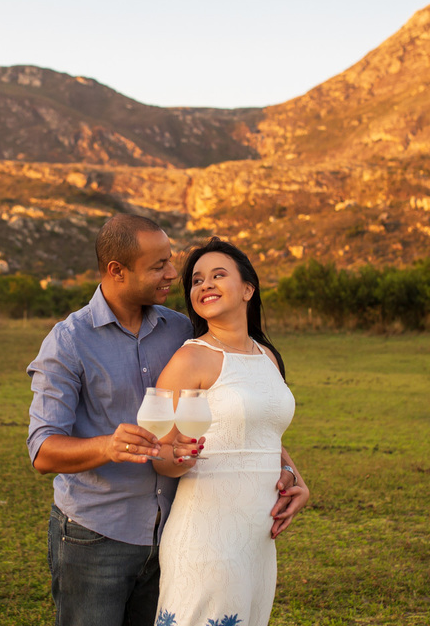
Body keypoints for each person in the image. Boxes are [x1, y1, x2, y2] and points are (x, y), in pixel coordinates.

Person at [27, 213, 197, 626]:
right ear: (117, 271)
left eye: (170, 261)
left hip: (174, 535)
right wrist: (108, 446)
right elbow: (42, 449)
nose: (173, 274)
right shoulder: (68, 341)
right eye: (159, 265)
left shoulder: (182, 329)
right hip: (94, 538)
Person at [150, 236, 309, 626]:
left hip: (257, 537)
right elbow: (160, 453)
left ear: (248, 289)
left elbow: (262, 432)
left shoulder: (267, 355)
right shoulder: (191, 358)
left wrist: (295, 476)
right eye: (197, 280)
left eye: (218, 275)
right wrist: (179, 456)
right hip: (207, 534)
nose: (205, 285)